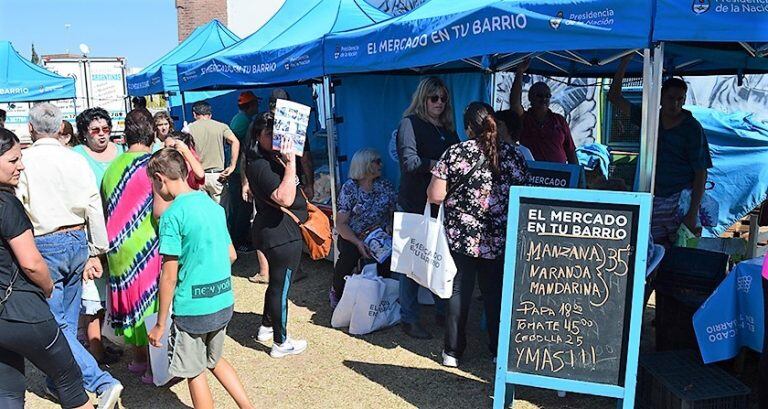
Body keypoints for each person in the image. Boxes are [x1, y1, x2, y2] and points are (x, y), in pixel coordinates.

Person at [16, 103, 122, 408]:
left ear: (31, 129)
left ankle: (101, 381)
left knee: (57, 324)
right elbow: (93, 205)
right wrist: (97, 251)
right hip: (77, 239)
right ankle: (57, 381)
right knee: (65, 320)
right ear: (61, 127)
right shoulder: (75, 158)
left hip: (43, 241)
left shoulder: (26, 161)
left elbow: (19, 207)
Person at [147, 148, 253, 409]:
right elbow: (231, 255)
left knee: (194, 371)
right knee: (214, 359)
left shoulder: (172, 217)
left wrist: (160, 323)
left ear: (160, 179)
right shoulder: (212, 205)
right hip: (223, 301)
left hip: (192, 309)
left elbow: (168, 276)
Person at [427, 102, 528, 367]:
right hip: (499, 236)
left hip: (461, 236)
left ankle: (453, 352)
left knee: (459, 291)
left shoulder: (455, 153)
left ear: (468, 126)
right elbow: (525, 194)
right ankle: (497, 351)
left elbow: (435, 196)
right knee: (495, 293)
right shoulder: (513, 154)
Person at [0, 127, 94, 409]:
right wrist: (47, 285)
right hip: (23, 310)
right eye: (13, 160)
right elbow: (31, 262)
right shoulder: (6, 204)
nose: (22, 165)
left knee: (8, 391)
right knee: (69, 379)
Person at [609, 55, 712, 247]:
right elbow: (614, 97)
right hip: (653, 197)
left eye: (680, 99)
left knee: (679, 256)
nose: (675, 104)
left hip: (680, 200)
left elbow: (701, 173)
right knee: (648, 253)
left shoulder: (692, 128)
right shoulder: (650, 118)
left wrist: (692, 212)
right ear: (661, 97)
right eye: (670, 98)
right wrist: (624, 62)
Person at [396, 76, 459, 339]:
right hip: (414, 203)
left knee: (439, 257)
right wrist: (440, 166)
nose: (440, 103)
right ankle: (409, 318)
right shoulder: (409, 124)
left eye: (443, 99)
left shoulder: (447, 128)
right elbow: (409, 162)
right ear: (423, 98)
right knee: (411, 261)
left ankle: (443, 311)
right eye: (434, 98)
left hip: (442, 205)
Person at [101, 109, 161, 384]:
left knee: (130, 303)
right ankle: (153, 367)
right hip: (147, 245)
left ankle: (137, 360)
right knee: (150, 305)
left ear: (125, 136)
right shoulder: (154, 165)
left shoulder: (112, 167)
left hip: (117, 247)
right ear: (152, 134)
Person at [245, 112, 308, 357]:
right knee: (281, 288)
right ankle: (281, 342)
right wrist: (291, 164)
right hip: (280, 234)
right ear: (257, 136)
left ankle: (267, 326)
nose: (276, 139)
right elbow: (285, 197)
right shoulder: (260, 164)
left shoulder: (268, 159)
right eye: (269, 134)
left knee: (276, 284)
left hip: (277, 231)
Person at [73, 107, 123, 365]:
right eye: (95, 130)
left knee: (115, 292)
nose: (102, 135)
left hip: (122, 234)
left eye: (106, 129)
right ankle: (96, 350)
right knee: (93, 293)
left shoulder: (122, 152)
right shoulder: (77, 156)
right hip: (91, 234)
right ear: (84, 133)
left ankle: (111, 339)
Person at [330, 148, 396, 306]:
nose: (381, 164)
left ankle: (380, 296)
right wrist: (358, 242)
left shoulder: (385, 185)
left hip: (378, 235)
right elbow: (341, 223)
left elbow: (394, 212)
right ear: (365, 165)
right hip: (353, 235)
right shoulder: (350, 188)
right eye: (377, 161)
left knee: (386, 255)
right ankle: (337, 291)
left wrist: (390, 228)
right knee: (349, 256)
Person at [509, 59, 578, 164]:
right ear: (530, 98)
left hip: (558, 176)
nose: (544, 99)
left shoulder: (559, 120)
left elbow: (571, 151)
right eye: (539, 96)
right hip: (534, 175)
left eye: (547, 96)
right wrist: (520, 72)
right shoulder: (524, 119)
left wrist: (577, 176)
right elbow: (514, 103)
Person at [187, 100, 240, 205]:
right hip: (218, 176)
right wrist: (232, 166)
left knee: (203, 213)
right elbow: (235, 141)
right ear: (210, 115)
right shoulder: (221, 127)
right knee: (221, 211)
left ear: (194, 114)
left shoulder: (188, 129)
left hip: (198, 176)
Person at [229, 91, 260, 253]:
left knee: (240, 208)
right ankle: (239, 241)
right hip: (239, 173)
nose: (258, 106)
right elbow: (237, 145)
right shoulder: (243, 121)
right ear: (251, 105)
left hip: (237, 171)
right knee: (242, 208)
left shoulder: (240, 119)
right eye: (256, 103)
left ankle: (239, 239)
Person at [152, 131, 206, 218]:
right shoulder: (163, 168)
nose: (167, 151)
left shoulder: (189, 165)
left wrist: (186, 151)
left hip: (190, 212)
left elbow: (200, 174)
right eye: (165, 147)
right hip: (172, 214)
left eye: (172, 147)